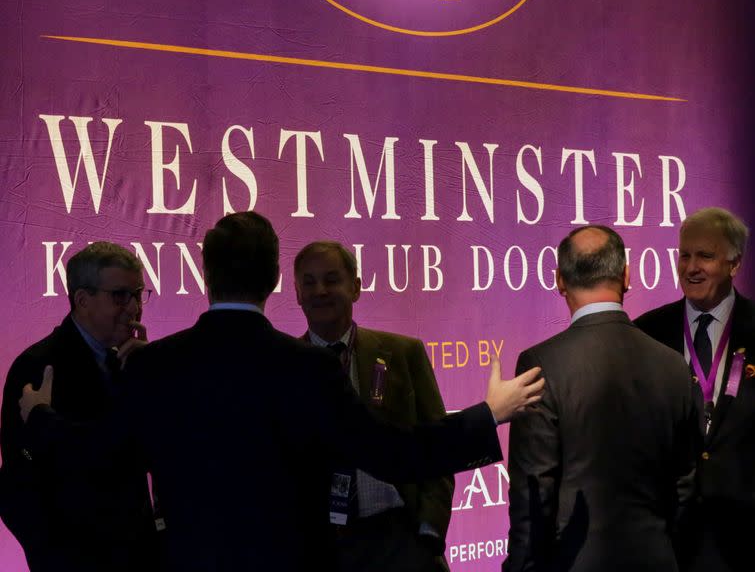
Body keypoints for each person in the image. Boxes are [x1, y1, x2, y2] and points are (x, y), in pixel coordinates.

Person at [20, 211, 543, 572]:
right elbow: (395, 453)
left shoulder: (155, 365)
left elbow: (96, 451)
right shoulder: (307, 369)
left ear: (206, 275)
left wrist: (39, 417)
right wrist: (489, 414)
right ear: (275, 279)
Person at [504, 225, 697, 572]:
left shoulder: (540, 365)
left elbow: (533, 496)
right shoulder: (673, 364)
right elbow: (684, 485)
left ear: (560, 280)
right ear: (626, 275)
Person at [636, 207, 755, 572]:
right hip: (674, 547)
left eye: (705, 256)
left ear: (734, 264)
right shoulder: (648, 333)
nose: (691, 267)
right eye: (684, 255)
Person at [294, 240, 454, 572]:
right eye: (308, 282)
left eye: (331, 279)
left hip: (401, 541)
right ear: (296, 293)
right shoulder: (284, 367)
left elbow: (438, 448)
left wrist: (429, 531)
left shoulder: (402, 353)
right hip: (322, 548)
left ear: (355, 287)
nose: (319, 290)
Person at [0, 242, 155, 572]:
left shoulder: (134, 362)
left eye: (138, 294)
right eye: (120, 296)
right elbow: (18, 484)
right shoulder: (37, 365)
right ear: (82, 300)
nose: (134, 308)